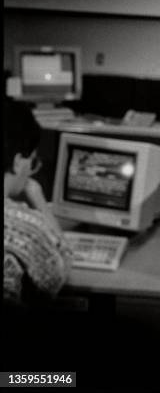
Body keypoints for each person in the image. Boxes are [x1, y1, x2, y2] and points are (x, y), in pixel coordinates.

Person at [3, 98, 73, 305]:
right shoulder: (27, 229)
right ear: (17, 162)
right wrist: (39, 199)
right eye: (31, 161)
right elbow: (61, 268)